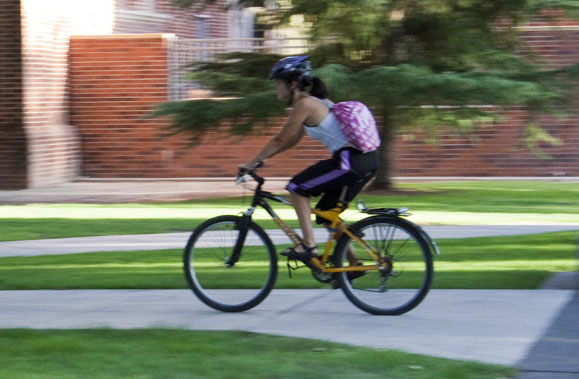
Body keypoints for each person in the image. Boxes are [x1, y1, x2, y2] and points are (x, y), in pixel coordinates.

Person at [241, 55, 378, 263]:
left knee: (297, 187)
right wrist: (262, 160)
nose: (276, 88)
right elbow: (290, 140)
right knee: (325, 213)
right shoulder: (316, 102)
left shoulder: (304, 104)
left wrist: (250, 163)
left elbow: (280, 139)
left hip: (350, 161)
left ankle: (308, 245)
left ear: (293, 84)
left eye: (279, 83)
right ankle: (354, 263)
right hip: (364, 161)